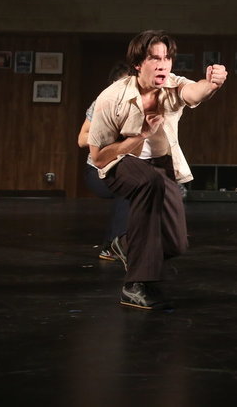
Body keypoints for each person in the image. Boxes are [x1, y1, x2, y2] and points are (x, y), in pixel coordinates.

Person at [88, 30, 227, 310]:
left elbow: (193, 90)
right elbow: (99, 157)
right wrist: (138, 136)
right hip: (118, 163)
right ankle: (135, 285)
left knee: (176, 244)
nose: (163, 64)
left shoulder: (172, 85)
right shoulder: (111, 97)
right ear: (138, 64)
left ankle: (125, 244)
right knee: (149, 182)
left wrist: (212, 84)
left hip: (160, 165)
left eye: (167, 58)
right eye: (154, 59)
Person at [77, 62, 132, 261]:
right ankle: (111, 246)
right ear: (112, 85)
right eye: (122, 84)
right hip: (97, 171)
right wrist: (107, 133)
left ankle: (130, 244)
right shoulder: (100, 104)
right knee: (127, 189)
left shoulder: (136, 105)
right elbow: (82, 139)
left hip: (121, 168)